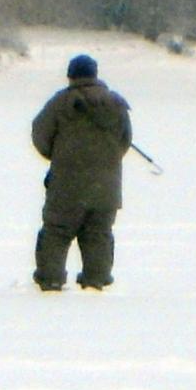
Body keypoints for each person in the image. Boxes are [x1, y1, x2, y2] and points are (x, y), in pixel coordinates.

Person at [31, 54, 132, 291]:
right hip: (107, 187)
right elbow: (125, 141)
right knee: (98, 234)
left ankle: (51, 279)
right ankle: (96, 280)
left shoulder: (61, 102)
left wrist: (58, 157)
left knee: (56, 232)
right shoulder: (117, 104)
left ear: (71, 75)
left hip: (67, 185)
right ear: (95, 74)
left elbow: (40, 135)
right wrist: (105, 163)